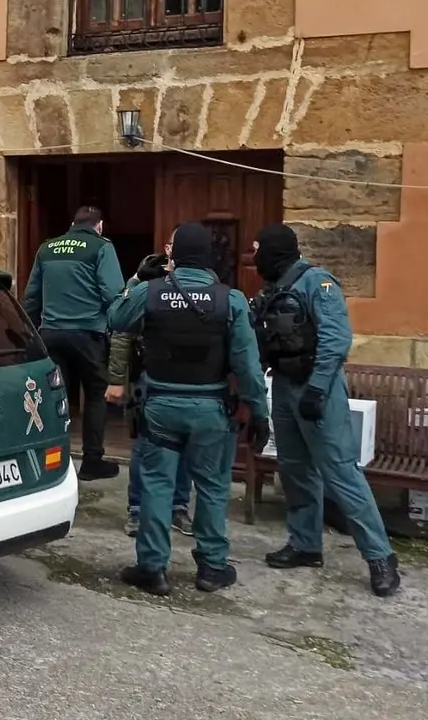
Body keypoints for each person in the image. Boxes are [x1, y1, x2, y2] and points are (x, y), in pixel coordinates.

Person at [107, 223, 270, 596]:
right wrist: (258, 411)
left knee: (156, 485)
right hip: (212, 407)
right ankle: (212, 567)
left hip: (160, 405)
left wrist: (136, 282)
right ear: (210, 257)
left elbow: (115, 318)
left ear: (173, 255)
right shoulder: (229, 300)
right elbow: (247, 363)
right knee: (212, 487)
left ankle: (152, 568)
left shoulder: (149, 292)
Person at [250, 223, 400, 597]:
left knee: (340, 472)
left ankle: (381, 557)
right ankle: (305, 544)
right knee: (295, 470)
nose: (255, 258)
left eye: (259, 250)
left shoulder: (318, 283)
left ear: (277, 250)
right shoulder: (273, 289)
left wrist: (316, 389)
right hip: (283, 387)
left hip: (319, 388)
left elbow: (336, 339)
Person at [21, 206, 125, 481]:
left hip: (52, 334)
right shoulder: (101, 247)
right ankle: (91, 462)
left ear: (72, 223)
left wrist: (26, 333)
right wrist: (119, 329)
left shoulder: (47, 248)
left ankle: (54, 460)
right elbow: (113, 293)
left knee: (56, 398)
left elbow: (31, 296)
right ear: (99, 225)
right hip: (88, 334)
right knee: (94, 396)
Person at [106, 251, 193, 538]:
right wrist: (117, 379)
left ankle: (178, 507)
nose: (170, 253)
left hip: (190, 379)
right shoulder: (149, 277)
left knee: (184, 448)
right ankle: (137, 509)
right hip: (148, 377)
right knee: (144, 447)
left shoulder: (201, 281)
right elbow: (121, 331)